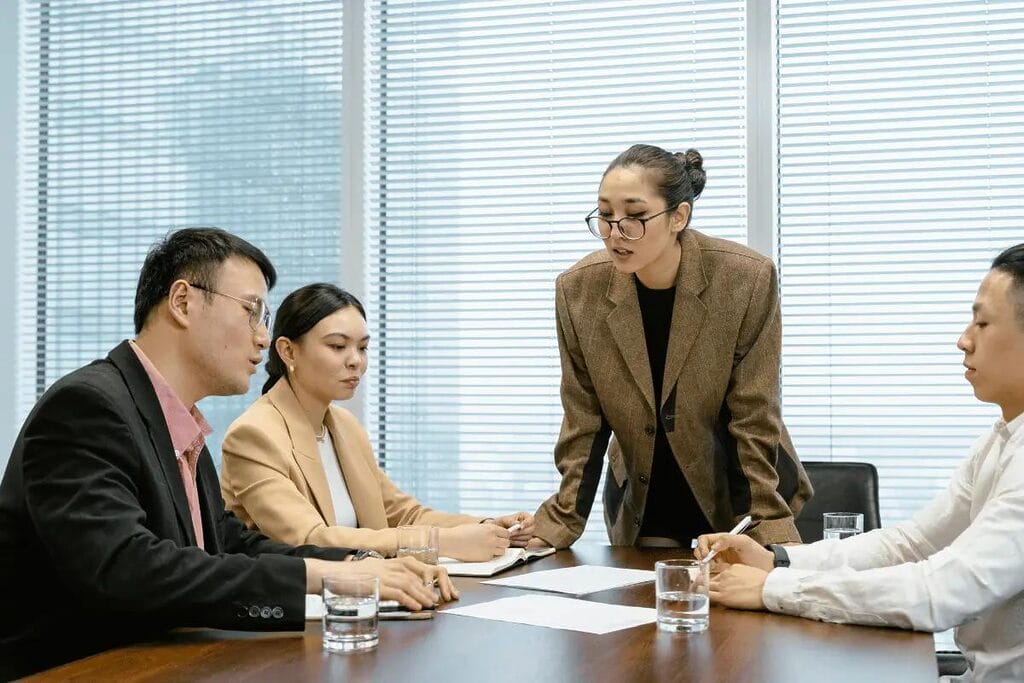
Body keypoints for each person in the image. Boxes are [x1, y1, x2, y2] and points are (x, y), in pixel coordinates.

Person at [0, 229, 455, 680]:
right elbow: (129, 569)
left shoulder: (179, 422)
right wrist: (320, 578)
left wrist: (358, 566)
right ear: (183, 302)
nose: (262, 337)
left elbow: (231, 543)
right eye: (252, 311)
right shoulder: (87, 407)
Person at [696, 243, 1024, 683]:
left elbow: (939, 592)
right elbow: (910, 545)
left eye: (982, 322)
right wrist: (776, 561)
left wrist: (773, 589)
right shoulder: (1002, 440)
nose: (964, 338)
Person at [529, 144, 812, 550]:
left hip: (739, 496)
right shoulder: (578, 291)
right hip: (644, 500)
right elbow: (583, 419)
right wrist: (557, 524)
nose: (616, 233)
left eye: (636, 216)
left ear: (679, 216)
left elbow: (754, 414)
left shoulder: (744, 279)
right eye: (606, 216)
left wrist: (768, 536)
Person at [220, 283, 534, 560]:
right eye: (338, 346)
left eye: (363, 347)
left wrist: (487, 527)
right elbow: (309, 540)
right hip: (296, 612)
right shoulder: (254, 435)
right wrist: (442, 543)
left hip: (365, 593)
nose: (356, 360)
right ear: (288, 351)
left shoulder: (344, 425)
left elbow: (403, 514)